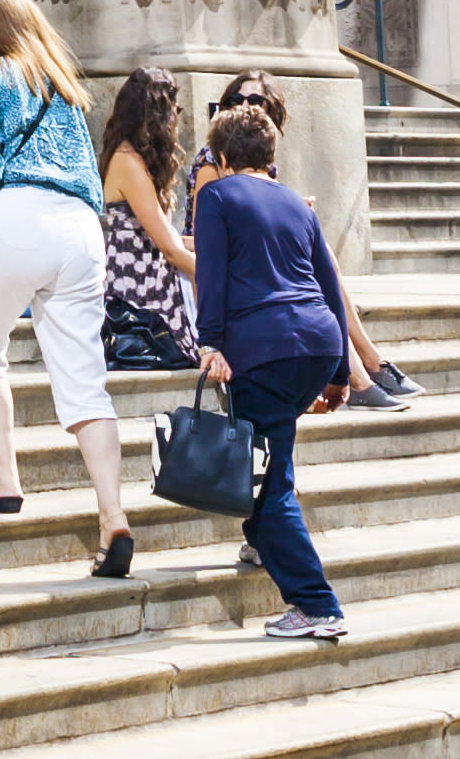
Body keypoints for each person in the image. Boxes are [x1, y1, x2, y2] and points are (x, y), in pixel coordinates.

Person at [0, 0, 133, 578]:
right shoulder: (66, 88)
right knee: (84, 385)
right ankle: (113, 517)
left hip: (17, 216)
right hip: (80, 228)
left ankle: (5, 479)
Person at [187, 99, 357, 640]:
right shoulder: (297, 204)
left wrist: (209, 343)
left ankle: (316, 602)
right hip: (314, 343)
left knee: (270, 484)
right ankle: (262, 542)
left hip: (262, 347)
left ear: (220, 154)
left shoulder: (215, 196)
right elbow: (330, 285)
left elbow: (209, 277)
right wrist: (339, 374)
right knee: (270, 462)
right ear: (270, 151)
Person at [200, 69, 414, 401]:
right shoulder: (214, 163)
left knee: (323, 257)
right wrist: (210, 341)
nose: (246, 106)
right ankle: (364, 371)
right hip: (233, 274)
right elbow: (209, 246)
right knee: (321, 259)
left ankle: (366, 365)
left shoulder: (269, 172)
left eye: (256, 100)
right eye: (237, 100)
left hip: (272, 308)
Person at [98, 66, 203, 386]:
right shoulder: (127, 160)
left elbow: (165, 238)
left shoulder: (134, 157)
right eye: (174, 109)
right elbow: (169, 249)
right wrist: (220, 276)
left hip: (147, 283)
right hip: (138, 294)